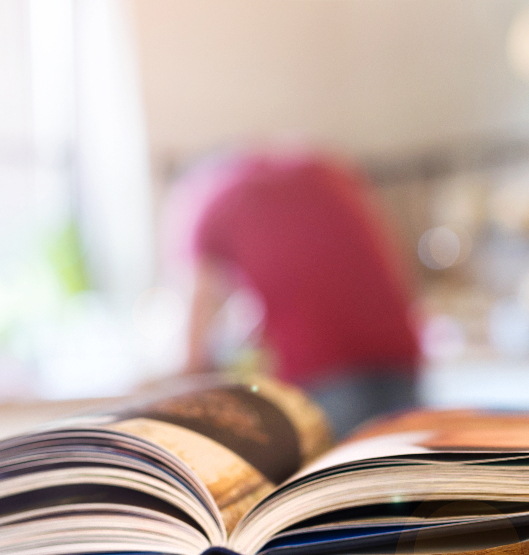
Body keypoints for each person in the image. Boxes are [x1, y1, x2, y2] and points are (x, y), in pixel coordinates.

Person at [165, 148, 422, 439]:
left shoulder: (201, 201)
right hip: (402, 357)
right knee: (398, 470)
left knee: (333, 481)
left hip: (324, 375)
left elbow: (194, 350)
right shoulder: (314, 167)